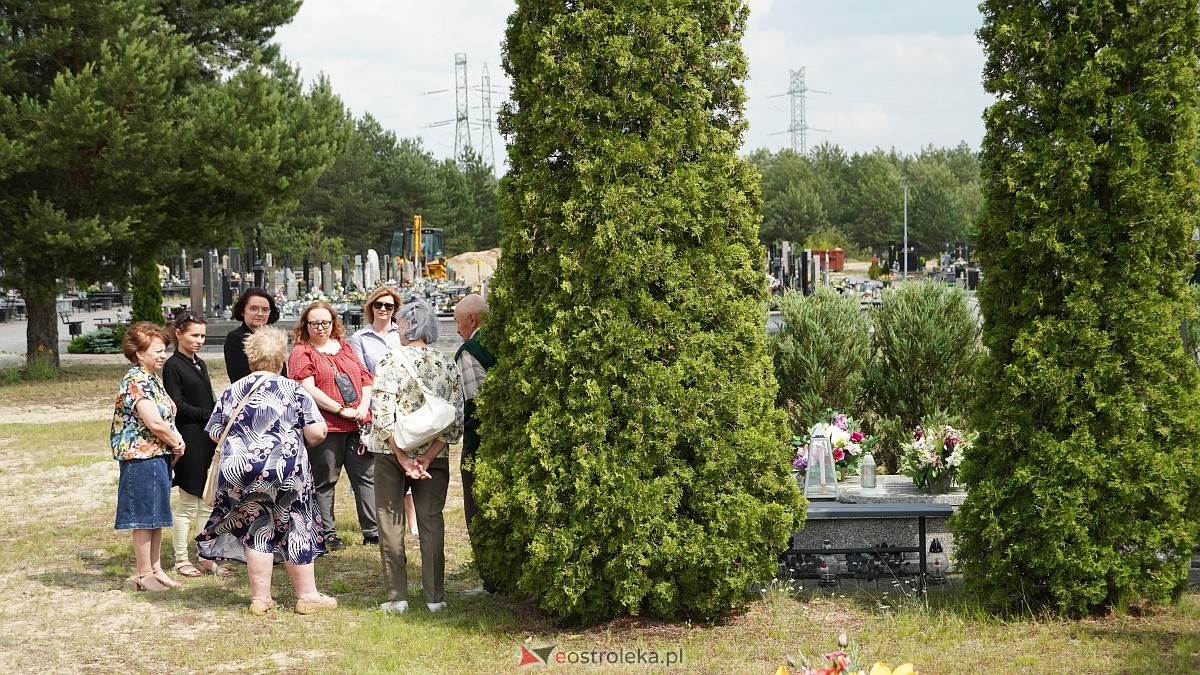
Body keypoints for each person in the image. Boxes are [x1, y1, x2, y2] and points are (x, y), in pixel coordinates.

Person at [197, 327, 336, 615]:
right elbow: (315, 432)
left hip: (242, 472)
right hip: (285, 470)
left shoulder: (233, 389)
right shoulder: (293, 389)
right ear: (282, 357)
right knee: (296, 525)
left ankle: (261, 599)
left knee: (256, 529)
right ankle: (307, 597)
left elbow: (213, 433)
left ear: (250, 357)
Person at [370, 299, 464, 614]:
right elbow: (455, 418)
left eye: (399, 324)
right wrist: (427, 457)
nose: (396, 329)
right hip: (433, 456)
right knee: (432, 522)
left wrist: (402, 458)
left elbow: (382, 416)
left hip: (390, 452)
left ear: (408, 326)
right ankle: (435, 597)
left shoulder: (389, 361)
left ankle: (398, 597)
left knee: (390, 520)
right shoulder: (447, 363)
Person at [288, 301, 376, 551]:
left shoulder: (345, 347)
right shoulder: (301, 352)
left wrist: (362, 407)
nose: (320, 327)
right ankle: (327, 532)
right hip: (327, 426)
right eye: (314, 323)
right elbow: (307, 387)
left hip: (357, 425)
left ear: (333, 323)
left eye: (325, 322)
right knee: (325, 480)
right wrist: (340, 410)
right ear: (305, 325)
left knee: (366, 478)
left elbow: (364, 378)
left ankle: (372, 530)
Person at [111, 321, 186, 591]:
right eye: (157, 350)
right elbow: (153, 422)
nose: (162, 355)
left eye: (164, 349)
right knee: (144, 516)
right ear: (140, 352)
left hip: (158, 455)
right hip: (141, 457)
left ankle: (156, 569)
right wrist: (175, 440)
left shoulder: (152, 378)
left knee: (156, 514)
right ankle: (144, 575)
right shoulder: (136, 379)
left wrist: (173, 442)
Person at [161, 311, 231, 578]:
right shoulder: (173, 366)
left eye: (203, 335)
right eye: (194, 335)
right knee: (188, 502)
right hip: (189, 437)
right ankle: (181, 558)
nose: (200, 340)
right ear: (178, 333)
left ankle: (204, 554)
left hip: (205, 438)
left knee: (206, 500)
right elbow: (176, 404)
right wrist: (208, 414)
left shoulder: (198, 363)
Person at [349, 285, 419, 538]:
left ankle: (412, 518)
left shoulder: (402, 334)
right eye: (378, 305)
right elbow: (361, 372)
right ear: (370, 308)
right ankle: (386, 519)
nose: (383, 310)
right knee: (385, 461)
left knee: (409, 454)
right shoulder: (359, 338)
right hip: (378, 403)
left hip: (405, 404)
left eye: (389, 306)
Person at [453, 294, 498, 594]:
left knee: (478, 512)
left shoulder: (470, 351)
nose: (456, 329)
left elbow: (477, 402)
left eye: (457, 321)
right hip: (508, 442)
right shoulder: (503, 340)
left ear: (472, 319)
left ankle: (492, 580)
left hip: (481, 443)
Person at [224, 288, 282, 383]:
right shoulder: (235, 338)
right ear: (243, 311)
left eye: (265, 309)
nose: (260, 314)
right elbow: (240, 378)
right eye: (253, 309)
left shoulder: (275, 337)